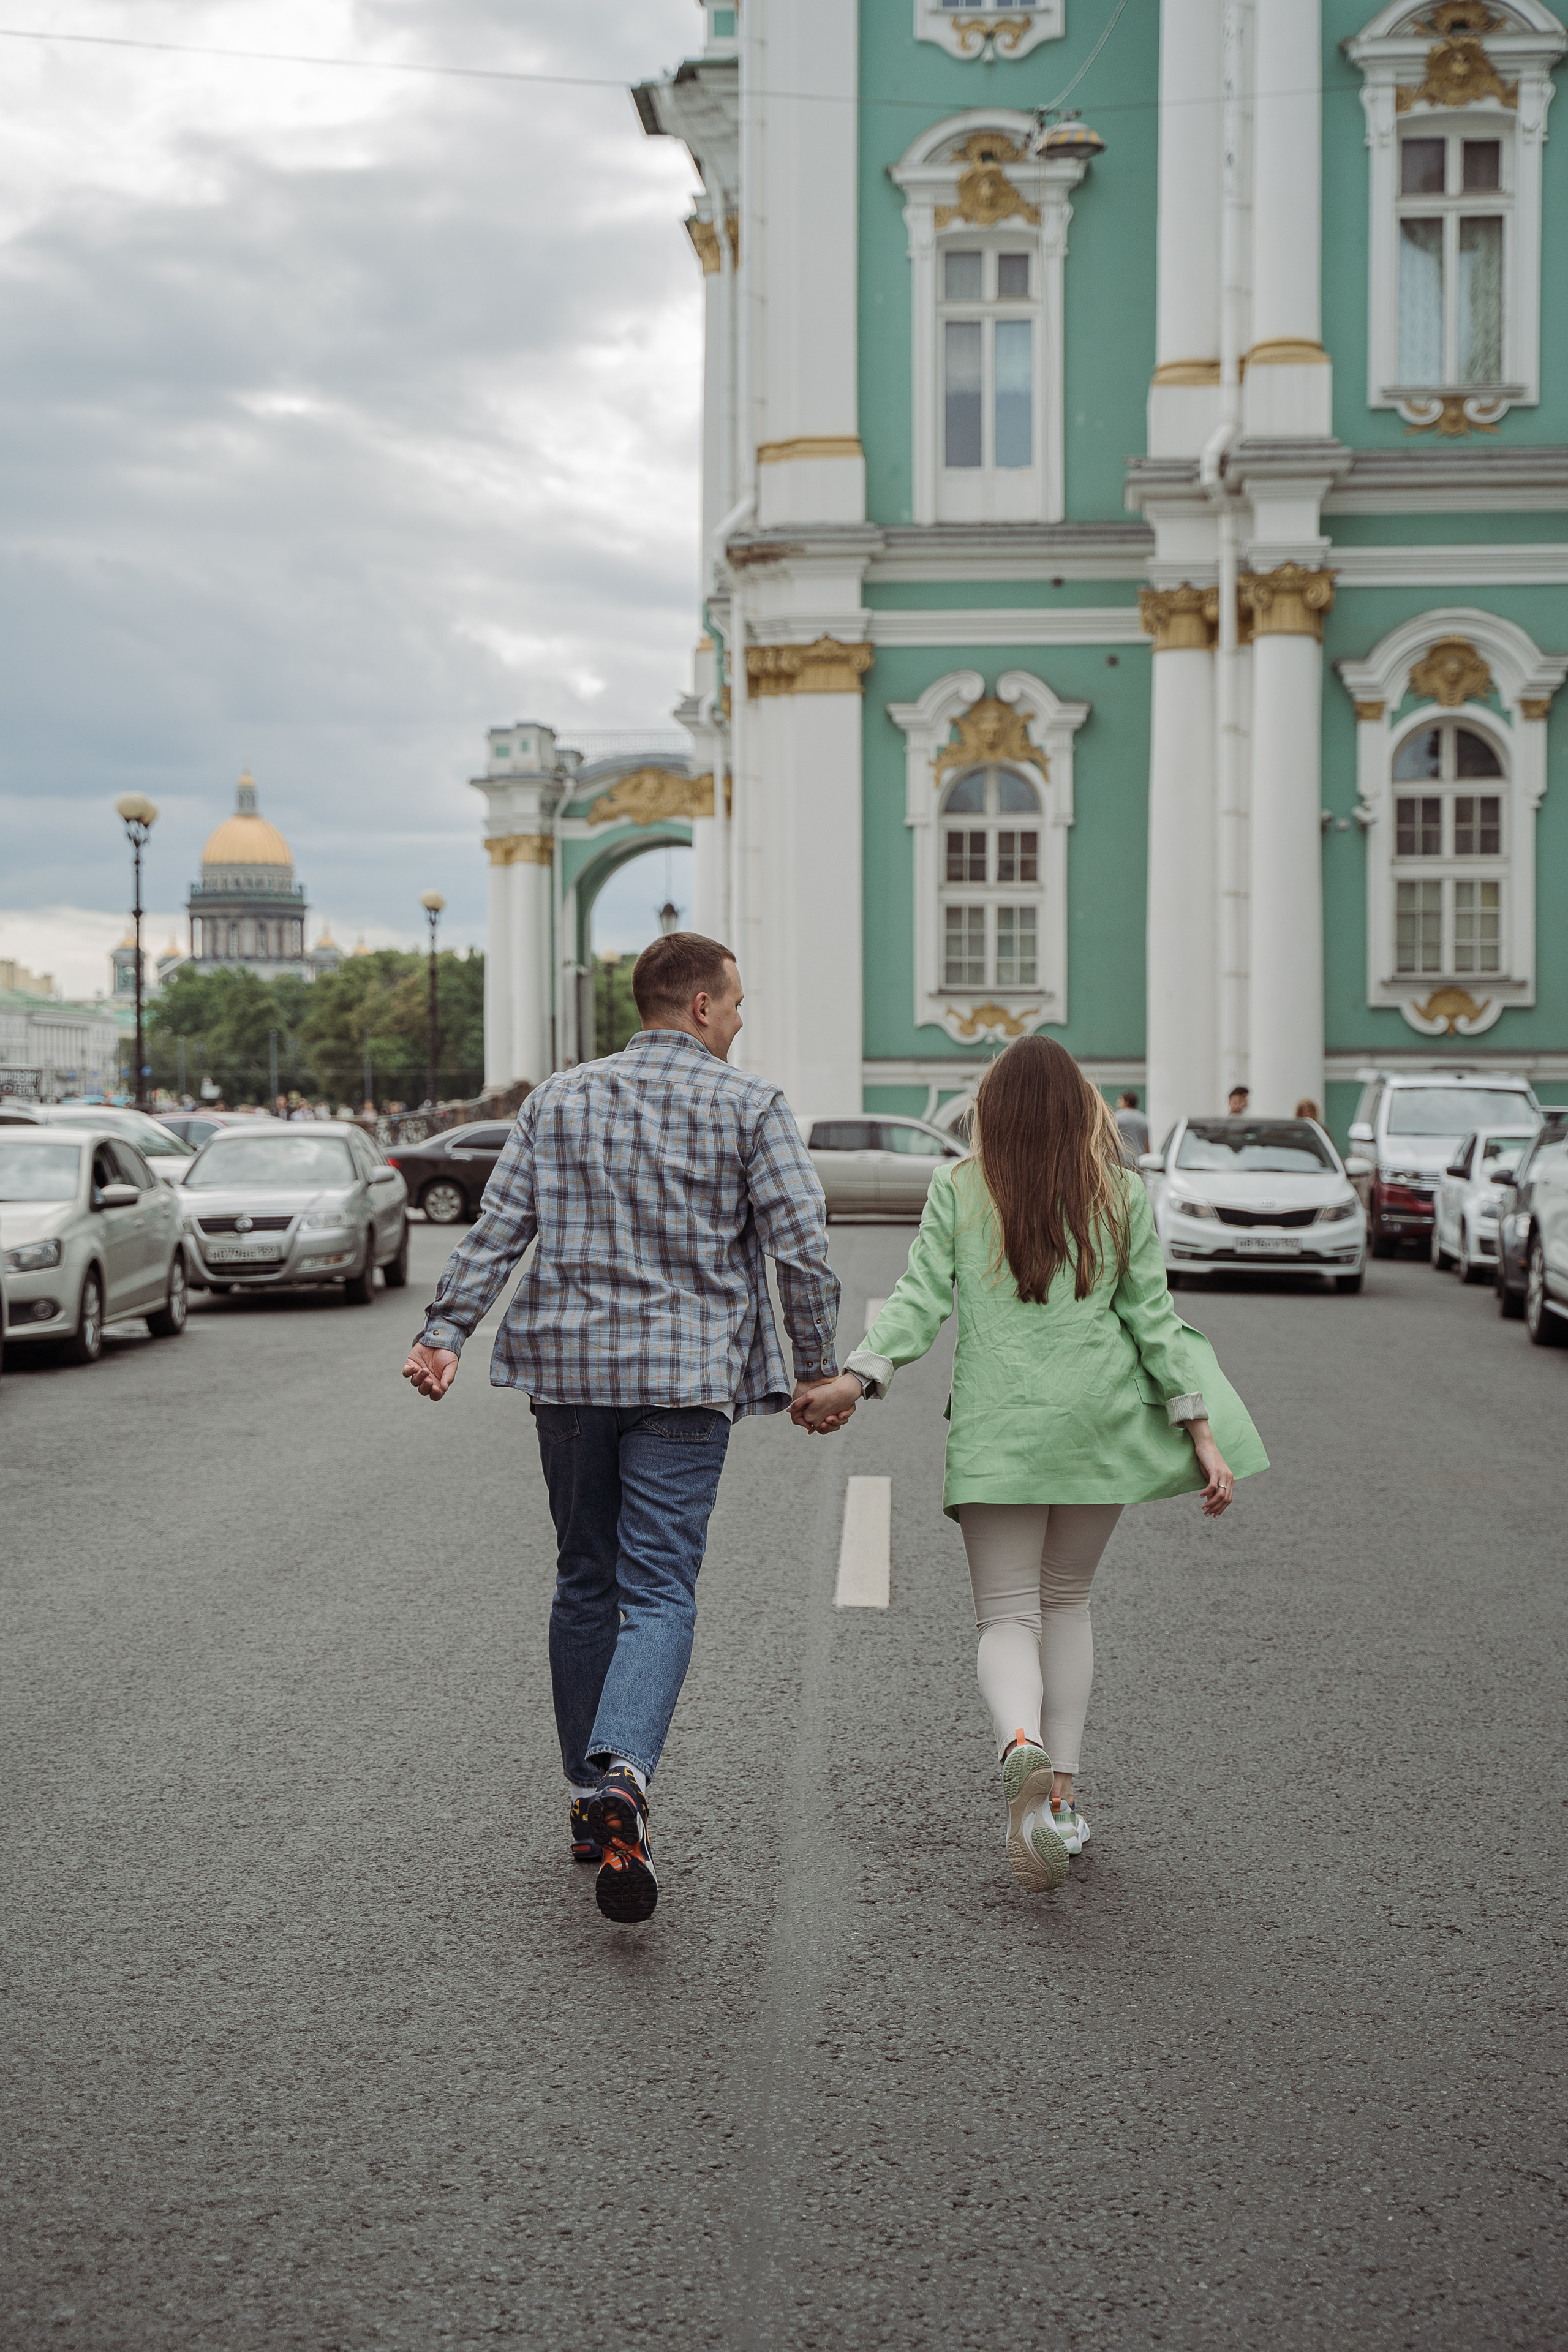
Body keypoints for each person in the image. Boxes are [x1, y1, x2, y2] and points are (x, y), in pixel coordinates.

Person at [400, 932, 845, 1926]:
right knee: (659, 1588)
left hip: (567, 1376)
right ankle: (624, 1780)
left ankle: (587, 1791)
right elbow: (802, 1252)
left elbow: (500, 1226)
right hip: (684, 1384)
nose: (739, 1019)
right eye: (733, 1003)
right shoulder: (751, 1107)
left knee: (583, 1577)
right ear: (697, 1006)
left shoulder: (556, 1098)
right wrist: (817, 1367)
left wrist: (444, 1335)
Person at [794, 1036, 1267, 1895]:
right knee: (1068, 1602)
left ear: (992, 1111)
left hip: (998, 1427)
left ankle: (1020, 1743)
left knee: (1007, 1614)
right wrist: (1199, 1431)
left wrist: (860, 1376)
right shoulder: (1121, 1193)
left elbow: (920, 1299)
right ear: (1082, 1106)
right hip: (1100, 1426)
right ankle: (1060, 1800)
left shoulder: (958, 1187)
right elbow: (1155, 1322)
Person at [1113, 1089, 1150, 1161]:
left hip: (1120, 1160)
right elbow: (1147, 1143)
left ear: (1126, 1102)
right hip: (1139, 1160)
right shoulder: (1143, 1119)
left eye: (1121, 1100)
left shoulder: (1116, 1118)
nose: (1118, 1103)